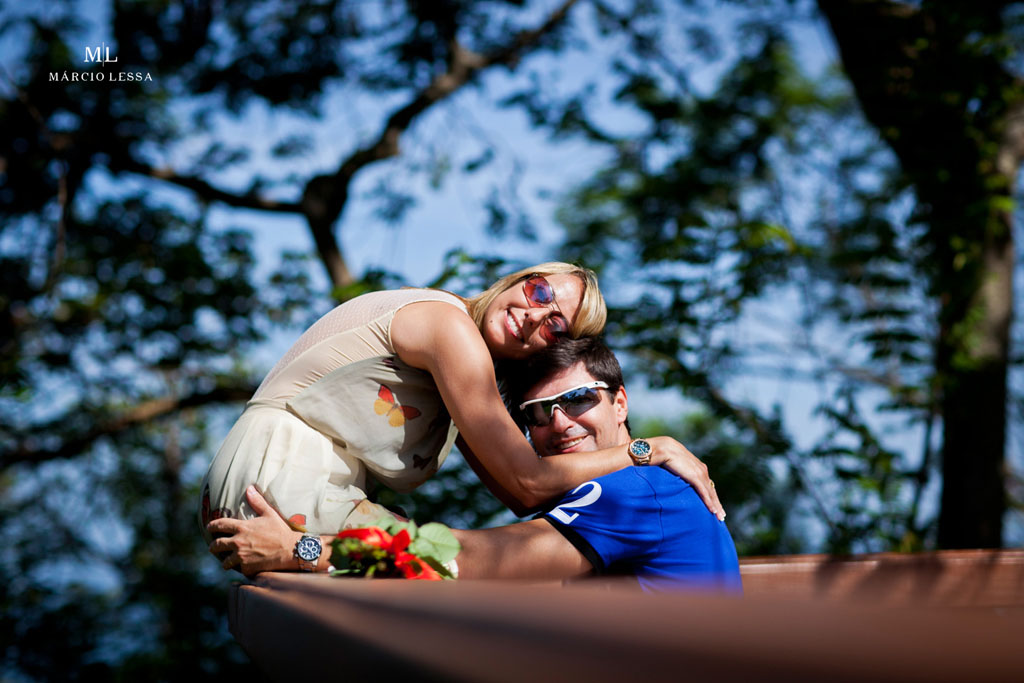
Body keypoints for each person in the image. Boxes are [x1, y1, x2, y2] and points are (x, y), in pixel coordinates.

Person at [200, 263, 724, 568]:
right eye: (539, 291)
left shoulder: (467, 373)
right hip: (284, 473)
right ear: (519, 279)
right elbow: (528, 479)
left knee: (421, 564)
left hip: (273, 475)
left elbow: (520, 492)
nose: (534, 314)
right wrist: (647, 449)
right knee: (426, 571)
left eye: (557, 326)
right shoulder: (451, 331)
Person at [208, 337, 740, 592]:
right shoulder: (629, 491)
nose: (559, 423)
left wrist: (300, 550)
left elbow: (464, 559)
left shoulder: (636, 492)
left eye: (579, 399)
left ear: (620, 402)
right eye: (536, 414)